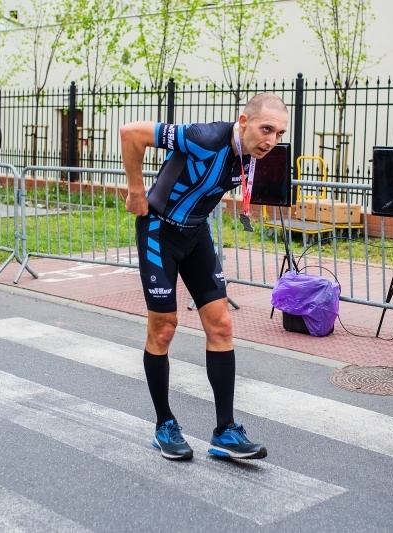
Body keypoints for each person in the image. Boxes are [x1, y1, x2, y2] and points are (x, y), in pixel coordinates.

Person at [120, 93, 288, 461]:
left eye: (278, 133)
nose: (271, 141)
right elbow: (131, 132)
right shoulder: (204, 137)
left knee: (222, 325)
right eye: (266, 129)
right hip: (159, 232)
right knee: (164, 328)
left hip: (195, 235)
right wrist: (135, 189)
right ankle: (165, 424)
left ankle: (225, 430)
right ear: (243, 121)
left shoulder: (249, 156)